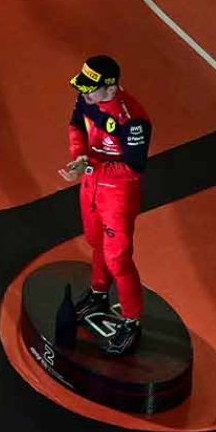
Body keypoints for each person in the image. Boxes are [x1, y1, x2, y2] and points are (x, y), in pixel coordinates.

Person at [61, 55, 151, 356]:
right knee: (95, 242)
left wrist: (89, 168)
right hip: (91, 187)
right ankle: (98, 293)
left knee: (119, 260)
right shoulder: (86, 98)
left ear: (110, 88)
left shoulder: (132, 120)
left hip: (118, 194)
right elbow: (75, 124)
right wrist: (79, 155)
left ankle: (131, 321)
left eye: (91, 89)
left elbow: (134, 168)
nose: (85, 94)